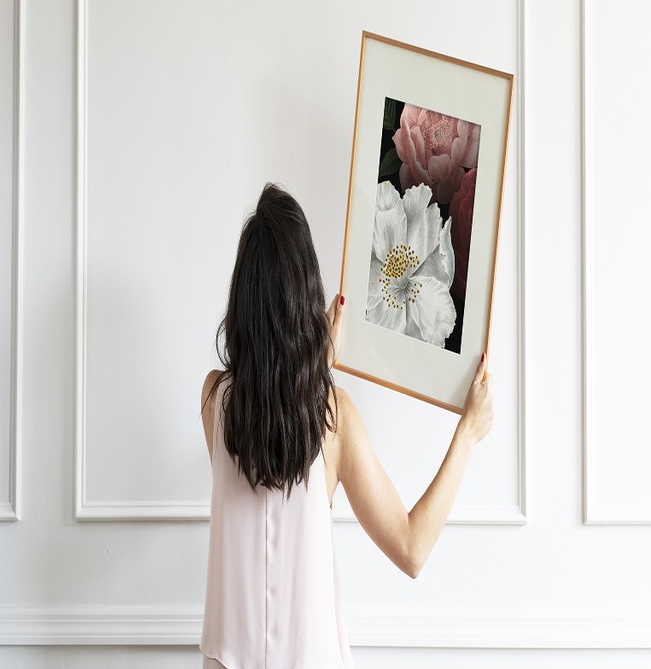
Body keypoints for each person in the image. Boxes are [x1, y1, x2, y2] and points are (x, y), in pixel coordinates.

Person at [198, 183, 494, 668]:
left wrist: (318, 365)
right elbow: (412, 550)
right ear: (307, 296)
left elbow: (270, 432)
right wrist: (467, 434)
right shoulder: (334, 419)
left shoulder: (213, 400)